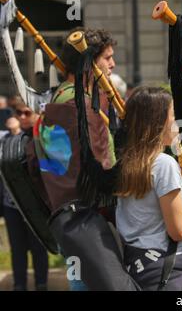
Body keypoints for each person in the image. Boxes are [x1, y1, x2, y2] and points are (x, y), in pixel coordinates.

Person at [29, 27, 138, 291]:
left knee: (81, 281)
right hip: (89, 218)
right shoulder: (80, 106)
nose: (112, 64)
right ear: (90, 63)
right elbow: (104, 170)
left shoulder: (60, 98)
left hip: (68, 218)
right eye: (107, 58)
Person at [115, 87, 182, 291]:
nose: (176, 124)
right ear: (158, 123)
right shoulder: (164, 164)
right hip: (165, 268)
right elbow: (177, 230)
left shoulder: (126, 162)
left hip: (135, 267)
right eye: (172, 116)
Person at [1, 106, 48, 291]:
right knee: (17, 249)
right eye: (18, 113)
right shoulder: (5, 140)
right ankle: (19, 284)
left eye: (26, 113)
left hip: (34, 206)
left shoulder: (38, 138)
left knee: (39, 246)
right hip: (11, 206)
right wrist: (13, 132)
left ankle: (41, 283)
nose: (21, 116)